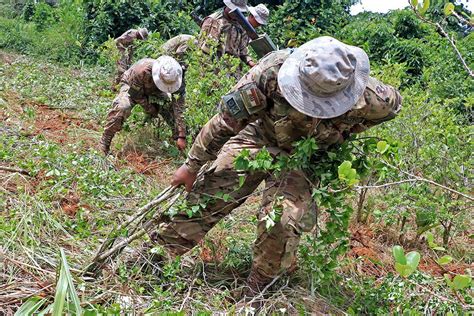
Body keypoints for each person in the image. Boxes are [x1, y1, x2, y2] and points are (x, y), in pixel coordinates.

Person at [154, 36, 403, 302]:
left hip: (304, 158)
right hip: (259, 137)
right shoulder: (270, 73)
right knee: (212, 190)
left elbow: (392, 109)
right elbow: (226, 120)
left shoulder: (375, 98)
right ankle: (157, 256)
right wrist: (191, 165)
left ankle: (257, 289)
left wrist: (348, 129)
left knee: (283, 221)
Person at [99, 56, 186, 154]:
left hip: (155, 90)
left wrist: (182, 135)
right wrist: (151, 109)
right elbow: (136, 95)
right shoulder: (142, 71)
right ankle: (105, 141)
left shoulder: (178, 78)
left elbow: (179, 108)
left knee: (169, 109)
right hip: (131, 85)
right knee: (123, 107)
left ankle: (179, 143)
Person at [198, 0, 266, 69]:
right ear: (228, 5)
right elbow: (204, 51)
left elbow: (242, 48)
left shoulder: (239, 24)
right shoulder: (214, 21)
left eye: (239, 11)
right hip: (217, 67)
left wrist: (250, 62)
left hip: (233, 68)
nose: (236, 13)